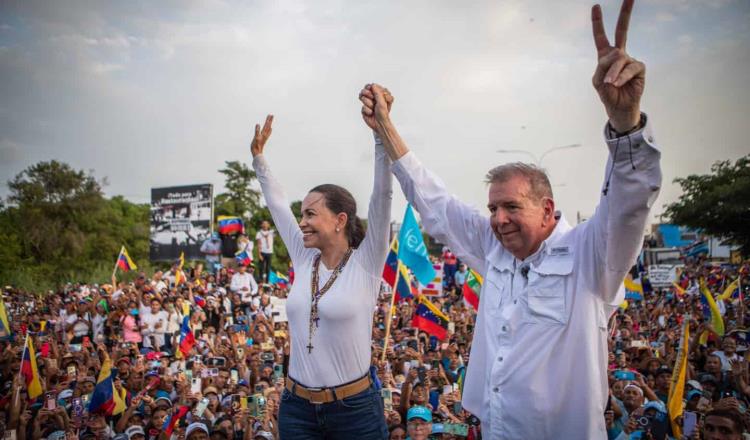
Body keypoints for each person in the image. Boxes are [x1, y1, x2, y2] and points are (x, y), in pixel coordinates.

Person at [358, 0, 661, 436]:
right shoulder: (493, 250)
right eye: (493, 208)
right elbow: (434, 203)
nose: (498, 220)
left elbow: (630, 203)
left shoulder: (591, 257)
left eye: (512, 207)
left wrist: (626, 122)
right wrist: (385, 128)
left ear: (548, 209)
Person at [250, 112, 392, 439]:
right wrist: (259, 158)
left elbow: (382, 197)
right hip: (297, 410)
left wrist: (380, 135)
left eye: (311, 214)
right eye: (301, 214)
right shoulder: (303, 256)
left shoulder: (367, 263)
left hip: (354, 411)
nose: (301, 222)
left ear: (340, 220)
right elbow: (277, 205)